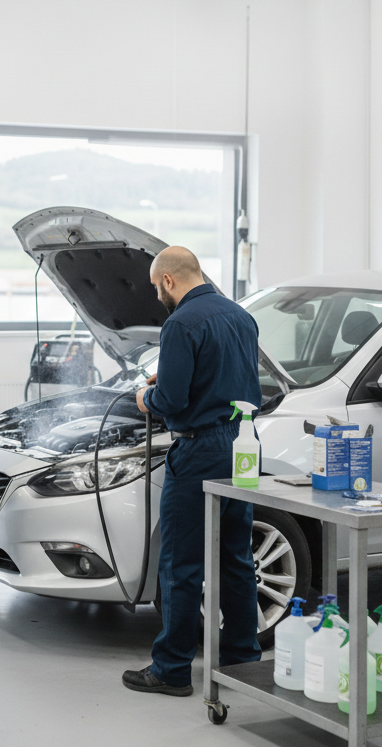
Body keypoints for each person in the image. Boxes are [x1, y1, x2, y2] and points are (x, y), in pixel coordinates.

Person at [124, 246, 262, 696]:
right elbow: (226, 378)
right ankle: (244, 659)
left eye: (155, 287)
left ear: (168, 281)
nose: (158, 296)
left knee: (182, 564)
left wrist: (149, 398)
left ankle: (172, 669)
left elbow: (175, 402)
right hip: (243, 446)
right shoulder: (241, 316)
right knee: (237, 557)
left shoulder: (180, 323)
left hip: (199, 449)